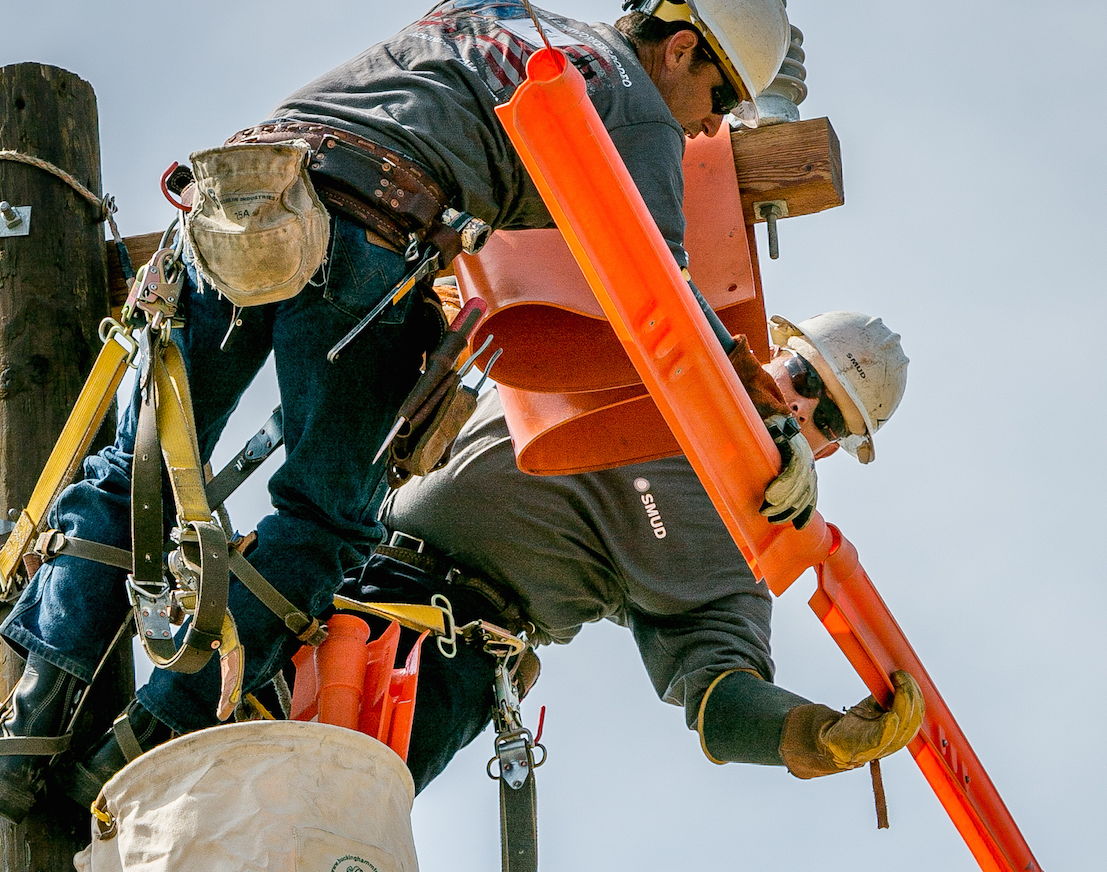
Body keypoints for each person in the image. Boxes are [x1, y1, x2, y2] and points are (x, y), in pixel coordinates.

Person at [0, 0, 808, 822]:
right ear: (681, 49)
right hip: (369, 237)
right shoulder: (639, 107)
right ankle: (134, 757)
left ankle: (30, 729)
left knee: (140, 472)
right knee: (323, 524)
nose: (706, 130)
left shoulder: (489, 8)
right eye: (719, 104)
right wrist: (762, 414)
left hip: (240, 199)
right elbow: (655, 294)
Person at [341, 309, 923, 796]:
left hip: (451, 652)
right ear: (774, 352)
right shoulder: (655, 346)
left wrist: (815, 738)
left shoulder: (733, 548)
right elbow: (604, 262)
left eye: (825, 417)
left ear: (829, 451)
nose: (799, 405)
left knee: (334, 801)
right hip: (344, 551)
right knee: (250, 707)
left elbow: (719, 694)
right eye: (804, 377)